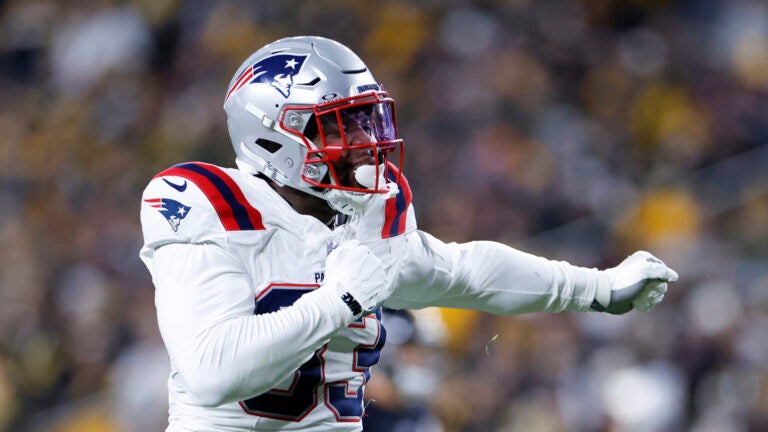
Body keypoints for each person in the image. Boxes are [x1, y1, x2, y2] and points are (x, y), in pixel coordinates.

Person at [139, 36, 678, 432]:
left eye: (365, 120)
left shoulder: (369, 210)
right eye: (339, 124)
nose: (363, 141)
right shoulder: (207, 204)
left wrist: (596, 289)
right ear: (274, 138)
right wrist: (338, 301)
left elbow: (462, 272)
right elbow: (212, 372)